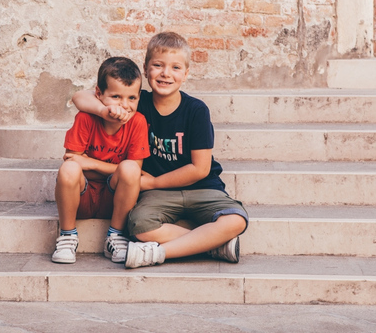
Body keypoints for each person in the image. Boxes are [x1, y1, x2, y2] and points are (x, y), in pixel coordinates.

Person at [72, 32, 248, 269]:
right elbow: (79, 96)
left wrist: (154, 183)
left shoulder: (196, 110)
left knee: (236, 221)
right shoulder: (137, 103)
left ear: (186, 74)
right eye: (158, 65)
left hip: (201, 188)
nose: (166, 73)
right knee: (140, 227)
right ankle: (213, 242)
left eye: (176, 67)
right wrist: (105, 111)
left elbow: (200, 168)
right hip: (159, 198)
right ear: (145, 70)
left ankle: (158, 253)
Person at [52, 56, 148, 264]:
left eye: (132, 98)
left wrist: (92, 163)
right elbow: (73, 163)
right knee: (68, 169)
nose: (124, 106)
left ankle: (115, 235)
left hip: (115, 200)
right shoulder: (86, 118)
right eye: (116, 97)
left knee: (130, 169)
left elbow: (134, 173)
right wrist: (113, 169)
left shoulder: (138, 122)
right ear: (98, 94)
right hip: (82, 196)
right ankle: (67, 236)